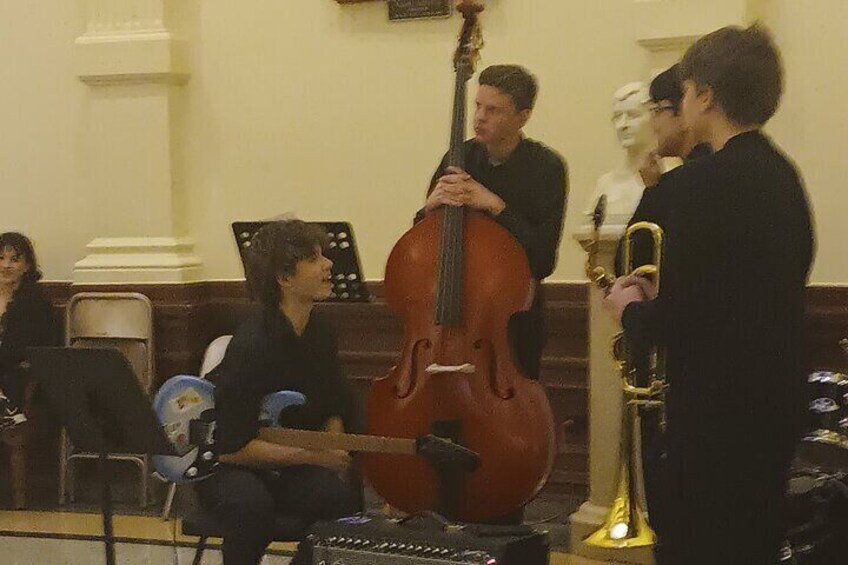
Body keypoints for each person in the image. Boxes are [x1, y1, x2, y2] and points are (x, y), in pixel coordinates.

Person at [605, 25, 815, 565]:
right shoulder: (784, 177)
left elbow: (682, 317)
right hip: (772, 407)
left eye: (686, 90)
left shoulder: (696, 185)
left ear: (705, 96)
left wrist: (630, 310)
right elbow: (745, 292)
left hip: (710, 419)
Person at [211, 220, 360, 565]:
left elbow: (335, 402)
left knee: (339, 500)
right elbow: (231, 448)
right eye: (314, 259)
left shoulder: (322, 334)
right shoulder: (251, 346)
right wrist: (316, 457)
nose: (329, 265)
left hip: (291, 464)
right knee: (250, 506)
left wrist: (335, 446)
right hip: (232, 468)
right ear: (284, 278)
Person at [417, 64, 568, 380]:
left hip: (513, 321)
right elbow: (422, 243)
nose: (479, 117)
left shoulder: (546, 167)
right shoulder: (458, 157)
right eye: (477, 106)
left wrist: (495, 205)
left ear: (522, 117)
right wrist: (428, 208)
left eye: (493, 110)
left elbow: (543, 259)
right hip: (453, 309)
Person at [0, 232, 55, 509]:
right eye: (0, 258)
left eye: (14, 259)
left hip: (19, 382)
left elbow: (27, 351)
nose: (6, 265)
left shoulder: (35, 302)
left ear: (27, 266)